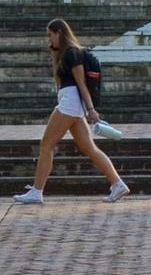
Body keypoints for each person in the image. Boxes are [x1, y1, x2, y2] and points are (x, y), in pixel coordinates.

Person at [12, 19, 130, 205]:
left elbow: (81, 83)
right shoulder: (65, 54)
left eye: (50, 35)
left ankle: (36, 191)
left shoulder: (72, 53)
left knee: (46, 144)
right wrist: (54, 56)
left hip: (71, 102)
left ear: (59, 33)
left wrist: (91, 109)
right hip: (72, 102)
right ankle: (118, 184)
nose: (49, 39)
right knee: (89, 148)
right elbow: (59, 82)